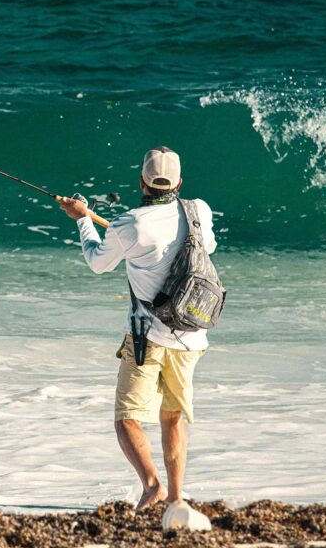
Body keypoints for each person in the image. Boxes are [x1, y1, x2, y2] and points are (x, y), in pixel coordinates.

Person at [59, 146, 216, 526]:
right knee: (172, 417)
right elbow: (206, 247)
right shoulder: (200, 211)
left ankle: (152, 486)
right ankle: (176, 498)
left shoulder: (131, 224)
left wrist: (82, 219)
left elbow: (98, 262)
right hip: (192, 333)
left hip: (148, 337)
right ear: (179, 182)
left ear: (142, 181)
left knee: (127, 418)